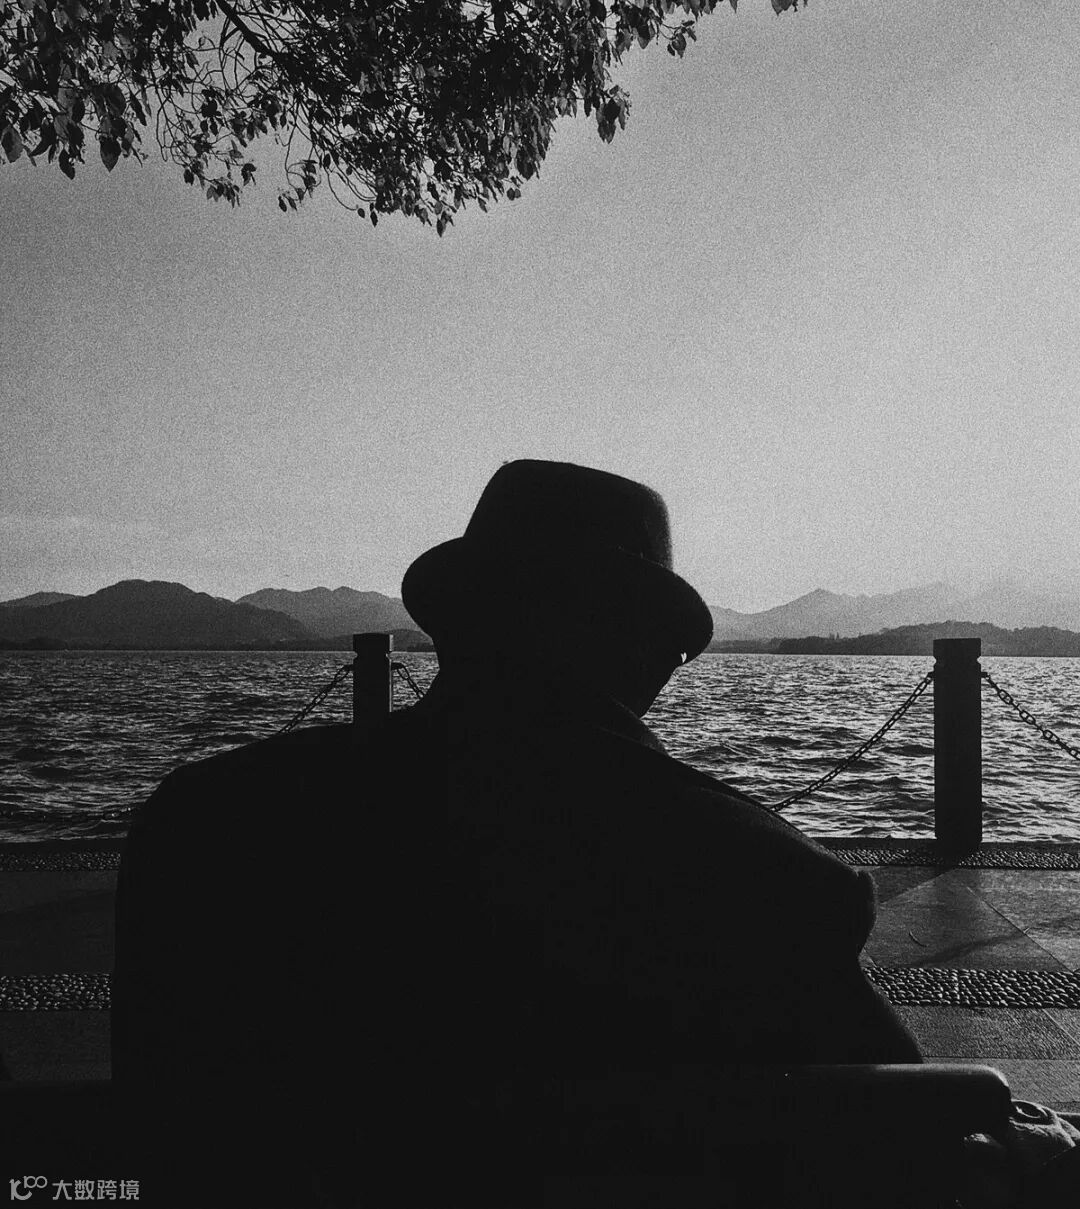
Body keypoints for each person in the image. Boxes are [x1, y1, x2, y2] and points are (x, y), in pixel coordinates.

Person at [113, 460, 928, 1206]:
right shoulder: (766, 882)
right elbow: (918, 1127)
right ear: (651, 654)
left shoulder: (208, 823)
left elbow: (153, 1126)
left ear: (452, 625)